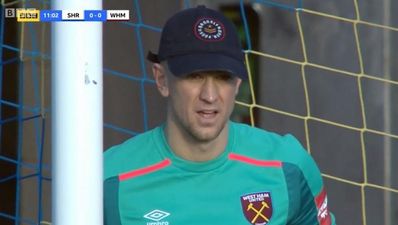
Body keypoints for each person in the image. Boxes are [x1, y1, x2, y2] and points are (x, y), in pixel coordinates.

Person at [104, 5, 336, 225]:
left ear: (237, 84)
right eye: (194, 76)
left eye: (223, 77)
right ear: (162, 79)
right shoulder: (109, 179)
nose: (210, 95)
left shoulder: (289, 166)